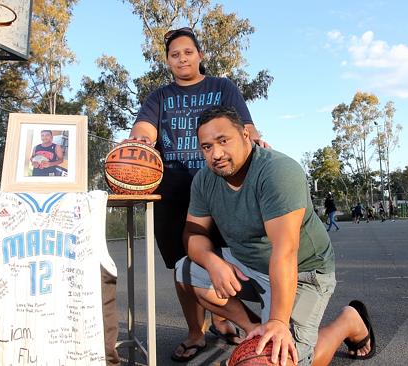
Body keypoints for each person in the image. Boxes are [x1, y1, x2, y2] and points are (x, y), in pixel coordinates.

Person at [176, 106, 375, 366]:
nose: (216, 154)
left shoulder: (277, 171)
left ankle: (348, 321)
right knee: (186, 271)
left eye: (223, 141)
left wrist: (279, 322)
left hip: (303, 270)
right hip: (248, 265)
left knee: (286, 360)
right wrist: (212, 262)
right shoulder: (205, 180)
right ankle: (254, 331)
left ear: (246, 135)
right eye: (206, 147)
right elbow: (194, 231)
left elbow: (285, 249)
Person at [127, 27, 268, 361]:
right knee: (183, 264)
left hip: (219, 185)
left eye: (188, 52)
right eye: (175, 54)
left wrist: (257, 143)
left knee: (223, 257)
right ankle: (196, 331)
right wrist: (140, 142)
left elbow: (244, 126)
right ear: (167, 60)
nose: (182, 59)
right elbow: (144, 127)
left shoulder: (222, 86)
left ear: (200, 55)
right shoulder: (159, 96)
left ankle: (225, 318)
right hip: (173, 189)